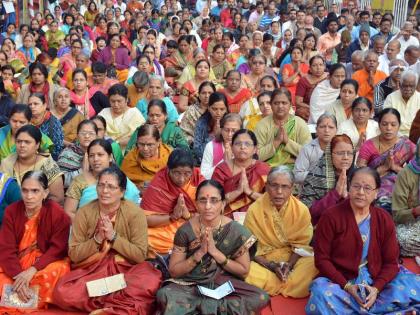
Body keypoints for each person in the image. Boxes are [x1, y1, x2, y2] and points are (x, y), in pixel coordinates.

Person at [306, 167, 420, 314]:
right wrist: (347, 286)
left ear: (376, 192)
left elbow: (391, 262)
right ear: (349, 187)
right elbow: (321, 260)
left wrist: (376, 288)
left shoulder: (383, 218)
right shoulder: (330, 217)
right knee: (321, 293)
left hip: (375, 278)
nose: (360, 192)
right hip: (341, 283)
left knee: (414, 284)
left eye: (367, 188)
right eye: (356, 186)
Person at [53, 167, 162, 314]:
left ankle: (105, 301)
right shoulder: (84, 213)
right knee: (63, 292)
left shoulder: (135, 213)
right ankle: (116, 303)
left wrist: (113, 236)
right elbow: (74, 254)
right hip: (93, 270)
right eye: (101, 185)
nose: (104, 191)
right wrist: (97, 239)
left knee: (149, 280)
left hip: (126, 269)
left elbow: (139, 255)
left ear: (122, 192)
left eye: (111, 187)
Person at [156, 179, 269, 314]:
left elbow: (243, 271)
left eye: (214, 200)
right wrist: (199, 253)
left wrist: (215, 253)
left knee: (260, 297)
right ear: (196, 204)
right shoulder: (185, 231)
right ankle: (215, 308)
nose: (208, 206)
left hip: (223, 282)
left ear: (223, 204)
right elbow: (174, 271)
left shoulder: (237, 231)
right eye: (203, 200)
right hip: (190, 284)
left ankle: (202, 308)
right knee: (164, 294)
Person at [0, 171, 70, 314]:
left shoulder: (57, 214)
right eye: (25, 190)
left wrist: (33, 270)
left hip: (42, 264)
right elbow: (6, 249)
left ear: (45, 193)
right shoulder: (12, 211)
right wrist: (18, 277)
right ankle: (26, 296)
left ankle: (14, 298)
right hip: (16, 264)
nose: (29, 196)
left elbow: (58, 249)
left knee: (61, 269)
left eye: (35, 191)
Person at [244, 166, 318, 297]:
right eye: (274, 186)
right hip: (265, 262)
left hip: (293, 260)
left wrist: (289, 265)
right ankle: (289, 286)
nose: (279, 191)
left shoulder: (301, 210)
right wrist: (272, 266)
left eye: (285, 187)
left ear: (292, 188)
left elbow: (302, 246)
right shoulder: (254, 210)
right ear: (266, 186)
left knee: (314, 264)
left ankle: (274, 285)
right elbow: (250, 248)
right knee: (246, 269)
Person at [140, 149, 204, 257]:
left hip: (193, 223)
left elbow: (209, 212)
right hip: (165, 224)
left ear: (193, 170)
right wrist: (173, 217)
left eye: (187, 173)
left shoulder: (198, 180)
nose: (181, 179)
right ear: (168, 169)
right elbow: (145, 219)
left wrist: (188, 215)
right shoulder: (159, 183)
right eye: (177, 173)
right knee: (142, 236)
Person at [64, 139, 139, 221]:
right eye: (91, 155)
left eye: (100, 155)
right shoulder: (80, 181)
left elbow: (132, 212)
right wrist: (87, 228)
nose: (95, 159)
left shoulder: (121, 180)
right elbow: (69, 212)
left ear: (110, 157)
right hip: (84, 228)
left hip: (118, 228)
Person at [357, 108, 415, 212]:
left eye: (393, 125)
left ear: (399, 126)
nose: (389, 128)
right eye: (384, 124)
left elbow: (416, 173)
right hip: (374, 187)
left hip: (401, 185)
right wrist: (383, 168)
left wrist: (395, 168)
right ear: (379, 125)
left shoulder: (406, 144)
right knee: (383, 204)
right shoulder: (368, 146)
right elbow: (359, 176)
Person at [0, 125, 64, 204]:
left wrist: (32, 206)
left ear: (37, 145)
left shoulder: (48, 165)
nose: (22, 145)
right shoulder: (7, 163)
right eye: (19, 141)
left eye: (27, 142)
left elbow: (58, 197)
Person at [212, 129, 270, 216]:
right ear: (231, 147)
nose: (243, 147)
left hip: (258, 216)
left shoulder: (263, 169)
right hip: (228, 218)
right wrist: (237, 192)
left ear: (255, 149)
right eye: (238, 143)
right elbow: (214, 201)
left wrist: (249, 192)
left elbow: (272, 201)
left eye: (247, 144)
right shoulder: (221, 170)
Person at [300, 134, 354, 225]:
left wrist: (347, 197)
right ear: (330, 155)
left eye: (349, 153)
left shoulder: (357, 175)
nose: (345, 157)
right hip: (321, 225)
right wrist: (335, 194)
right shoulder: (316, 176)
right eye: (340, 153)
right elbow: (307, 211)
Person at [255, 88, 311, 168]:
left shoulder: (299, 124)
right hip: (267, 169)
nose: (280, 106)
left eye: (284, 103)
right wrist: (276, 142)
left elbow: (309, 154)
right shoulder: (262, 125)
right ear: (271, 104)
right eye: (276, 103)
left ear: (290, 104)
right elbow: (256, 156)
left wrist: (287, 141)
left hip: (295, 168)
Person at [121, 124, 172, 192]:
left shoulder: (169, 157)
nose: (145, 149)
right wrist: (137, 189)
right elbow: (121, 184)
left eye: (150, 145)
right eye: (141, 144)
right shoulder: (130, 158)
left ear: (159, 142)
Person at [392, 140, 420, 257]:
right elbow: (397, 214)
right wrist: (416, 211)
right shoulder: (406, 174)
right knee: (402, 239)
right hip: (412, 224)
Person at [98, 84, 145, 152]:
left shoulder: (134, 114)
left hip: (128, 152)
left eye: (119, 101)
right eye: (113, 101)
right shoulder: (104, 113)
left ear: (126, 100)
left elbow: (140, 136)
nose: (116, 105)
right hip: (105, 150)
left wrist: (117, 145)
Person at [294, 113, 337, 184]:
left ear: (336, 131)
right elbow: (297, 175)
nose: (326, 130)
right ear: (316, 129)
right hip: (310, 191)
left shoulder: (341, 148)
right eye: (322, 127)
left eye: (331, 127)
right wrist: (319, 176)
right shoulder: (307, 148)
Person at [57, 119, 98, 188]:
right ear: (77, 136)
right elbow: (61, 181)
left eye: (91, 133)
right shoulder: (67, 153)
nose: (87, 136)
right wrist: (82, 171)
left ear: (96, 136)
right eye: (83, 133)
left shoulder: (102, 152)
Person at [200, 114, 242, 179]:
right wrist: (224, 162)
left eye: (234, 131)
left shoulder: (245, 148)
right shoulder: (211, 146)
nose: (230, 134)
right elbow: (203, 176)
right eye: (226, 130)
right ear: (221, 130)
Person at [193, 92, 229, 165]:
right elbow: (197, 152)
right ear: (209, 108)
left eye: (222, 109)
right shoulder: (202, 122)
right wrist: (213, 135)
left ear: (226, 109)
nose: (218, 113)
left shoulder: (231, 124)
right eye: (214, 109)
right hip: (205, 162)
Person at [383, 69, 420, 137]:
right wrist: (400, 136)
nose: (408, 89)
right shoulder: (391, 98)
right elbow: (386, 120)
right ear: (400, 85)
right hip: (394, 135)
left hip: (416, 136)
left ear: (416, 86)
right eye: (405, 86)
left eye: (411, 86)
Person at [27, 93, 64, 160]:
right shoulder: (25, 120)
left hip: (48, 159)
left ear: (44, 105)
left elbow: (57, 148)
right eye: (30, 104)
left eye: (36, 104)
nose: (32, 106)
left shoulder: (54, 122)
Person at [295, 55, 328, 122]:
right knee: (301, 112)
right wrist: (313, 108)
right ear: (310, 68)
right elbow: (298, 102)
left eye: (321, 65)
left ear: (324, 67)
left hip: (327, 107)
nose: (318, 68)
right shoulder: (304, 80)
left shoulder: (329, 78)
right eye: (314, 65)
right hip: (309, 108)